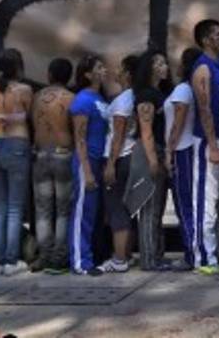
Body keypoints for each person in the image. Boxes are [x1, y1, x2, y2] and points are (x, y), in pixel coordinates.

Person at [0, 49, 32, 276]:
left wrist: (2, 117)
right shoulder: (24, 90)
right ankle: (11, 261)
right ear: (18, 67)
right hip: (17, 143)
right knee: (15, 207)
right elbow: (27, 114)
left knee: (0, 206)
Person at [190, 19, 219, 271]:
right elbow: (204, 109)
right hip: (208, 141)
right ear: (206, 40)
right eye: (218, 34)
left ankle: (217, 250)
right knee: (206, 199)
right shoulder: (202, 69)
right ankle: (203, 257)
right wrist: (213, 145)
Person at [31, 57, 74, 273]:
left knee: (43, 210)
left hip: (40, 155)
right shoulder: (71, 98)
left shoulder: (37, 97)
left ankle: (44, 255)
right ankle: (59, 256)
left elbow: (32, 123)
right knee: (63, 210)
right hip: (63, 154)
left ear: (49, 75)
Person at [133, 51, 175, 271]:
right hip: (152, 151)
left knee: (158, 208)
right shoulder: (146, 96)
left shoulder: (160, 93)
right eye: (159, 63)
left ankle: (157, 254)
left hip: (160, 150)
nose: (164, 66)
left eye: (164, 63)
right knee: (150, 209)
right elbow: (146, 130)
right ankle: (149, 258)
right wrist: (152, 160)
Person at [69, 55, 109, 275]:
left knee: (92, 212)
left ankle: (90, 256)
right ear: (88, 74)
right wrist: (86, 170)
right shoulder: (83, 100)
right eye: (99, 67)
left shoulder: (99, 98)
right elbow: (80, 138)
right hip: (87, 160)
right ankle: (79, 262)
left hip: (99, 160)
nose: (104, 71)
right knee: (82, 212)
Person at [100, 56, 138, 274]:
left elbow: (118, 135)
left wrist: (110, 164)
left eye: (121, 69)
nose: (117, 72)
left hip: (120, 156)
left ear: (128, 74)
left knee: (117, 209)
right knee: (126, 209)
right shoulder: (132, 97)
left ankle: (119, 258)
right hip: (128, 155)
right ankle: (127, 254)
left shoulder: (124, 101)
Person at [166, 47, 201, 271]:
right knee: (189, 202)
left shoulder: (182, 89)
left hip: (181, 150)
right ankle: (195, 250)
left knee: (183, 202)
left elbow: (178, 122)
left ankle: (191, 252)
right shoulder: (191, 89)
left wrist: (169, 150)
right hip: (188, 148)